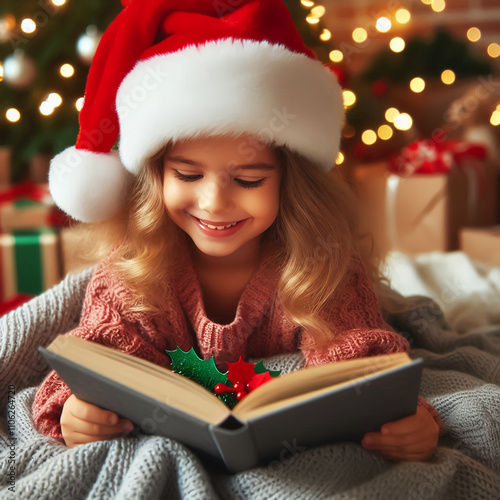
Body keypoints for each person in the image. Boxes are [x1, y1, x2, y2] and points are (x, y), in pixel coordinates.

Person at [33, 0, 443, 460]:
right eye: (187, 176)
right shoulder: (133, 269)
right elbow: (99, 354)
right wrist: (76, 409)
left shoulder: (322, 264)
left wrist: (403, 419)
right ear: (155, 178)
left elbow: (357, 354)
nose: (213, 202)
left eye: (248, 180)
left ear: (291, 183)